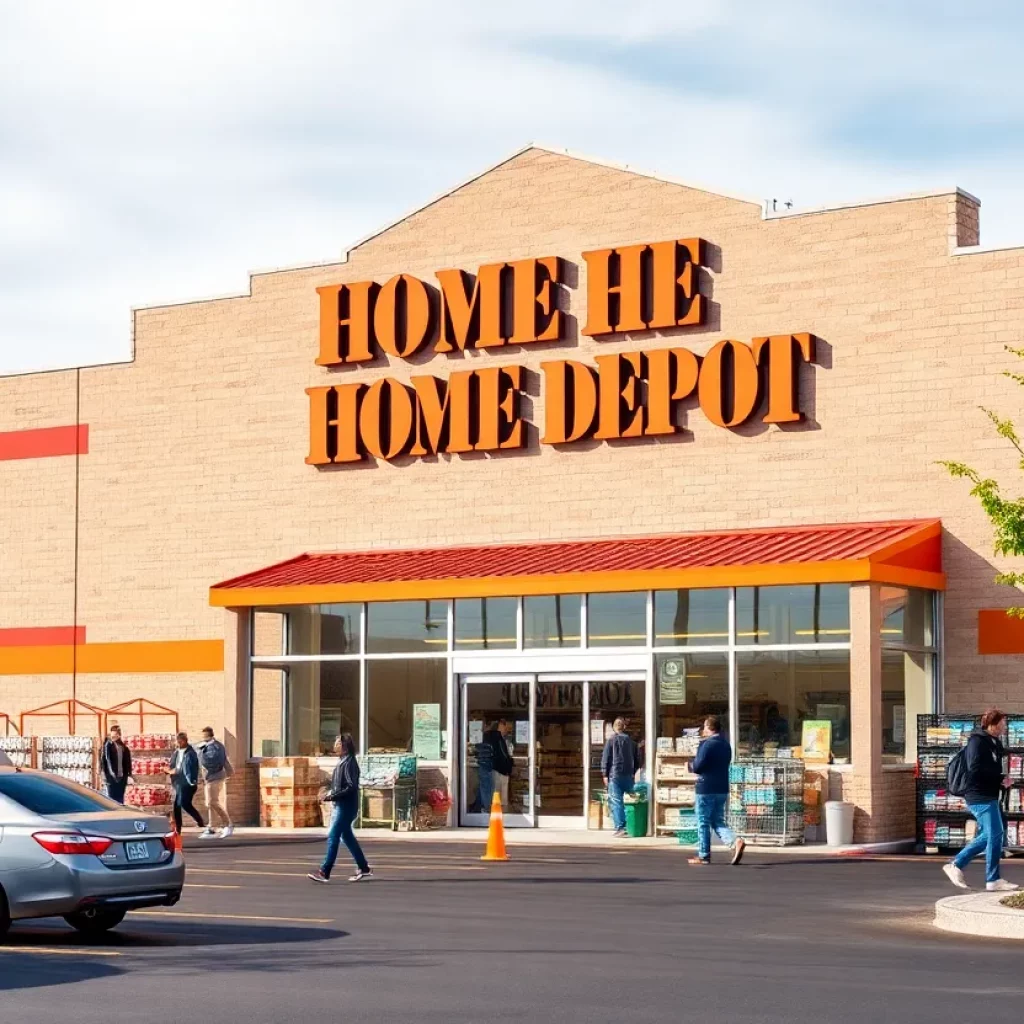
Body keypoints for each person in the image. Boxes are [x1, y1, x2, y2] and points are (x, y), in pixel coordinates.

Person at [944, 709, 1018, 892]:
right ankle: (992, 879)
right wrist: (999, 778)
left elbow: (989, 768)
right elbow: (975, 769)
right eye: (1002, 723)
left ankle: (957, 864)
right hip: (978, 795)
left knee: (991, 835)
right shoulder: (977, 741)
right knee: (995, 834)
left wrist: (1001, 779)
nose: (1004, 727)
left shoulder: (994, 742)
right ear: (992, 724)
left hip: (990, 795)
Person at [308, 733, 373, 884]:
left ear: (344, 746)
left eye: (337, 742)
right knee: (347, 837)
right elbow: (340, 784)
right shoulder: (343, 761)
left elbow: (351, 786)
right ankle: (364, 867)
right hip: (342, 805)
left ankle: (325, 871)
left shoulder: (349, 763)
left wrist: (332, 796)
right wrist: (329, 792)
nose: (335, 745)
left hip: (346, 806)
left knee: (333, 836)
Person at [689, 715, 745, 866]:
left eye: (704, 727)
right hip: (721, 787)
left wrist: (690, 766)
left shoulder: (707, 744)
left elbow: (698, 765)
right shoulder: (726, 745)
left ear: (708, 728)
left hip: (706, 787)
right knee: (717, 820)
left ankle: (703, 855)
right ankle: (734, 841)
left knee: (703, 821)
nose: (703, 730)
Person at [602, 717, 641, 838]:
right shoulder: (631, 742)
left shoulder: (611, 741)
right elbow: (638, 759)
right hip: (628, 775)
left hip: (615, 775)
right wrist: (633, 772)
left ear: (614, 727)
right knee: (632, 801)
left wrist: (605, 774)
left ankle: (620, 827)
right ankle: (633, 825)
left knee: (616, 802)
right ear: (624, 727)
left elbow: (606, 758)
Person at [198, 726, 234, 839]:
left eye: (204, 736)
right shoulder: (212, 746)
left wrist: (200, 752)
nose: (203, 738)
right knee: (210, 803)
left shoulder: (214, 747)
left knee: (212, 801)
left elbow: (210, 761)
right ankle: (212, 827)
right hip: (209, 778)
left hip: (215, 777)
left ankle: (228, 824)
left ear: (209, 736)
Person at [169, 731, 205, 834]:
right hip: (178, 781)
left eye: (180, 741)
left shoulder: (190, 753)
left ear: (185, 741)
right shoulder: (176, 752)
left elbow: (189, 769)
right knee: (185, 804)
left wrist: (191, 780)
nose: (179, 743)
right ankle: (199, 821)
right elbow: (172, 764)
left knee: (178, 804)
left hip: (187, 782)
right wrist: (170, 771)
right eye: (178, 741)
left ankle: (178, 829)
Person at [478, 719, 513, 811]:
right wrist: (508, 766)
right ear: (499, 727)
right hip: (499, 770)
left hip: (493, 769)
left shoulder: (489, 737)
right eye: (504, 726)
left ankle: (493, 812)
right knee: (499, 797)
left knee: (494, 795)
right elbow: (503, 755)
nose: (506, 729)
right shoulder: (497, 738)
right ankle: (499, 815)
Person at [101, 724, 133, 804]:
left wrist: (129, 774)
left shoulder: (124, 747)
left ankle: (120, 813)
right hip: (111, 778)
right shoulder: (108, 745)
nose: (114, 736)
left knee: (120, 799)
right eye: (113, 735)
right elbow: (106, 761)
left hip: (122, 777)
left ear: (119, 735)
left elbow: (127, 762)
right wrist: (107, 775)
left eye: (116, 734)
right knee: (111, 799)